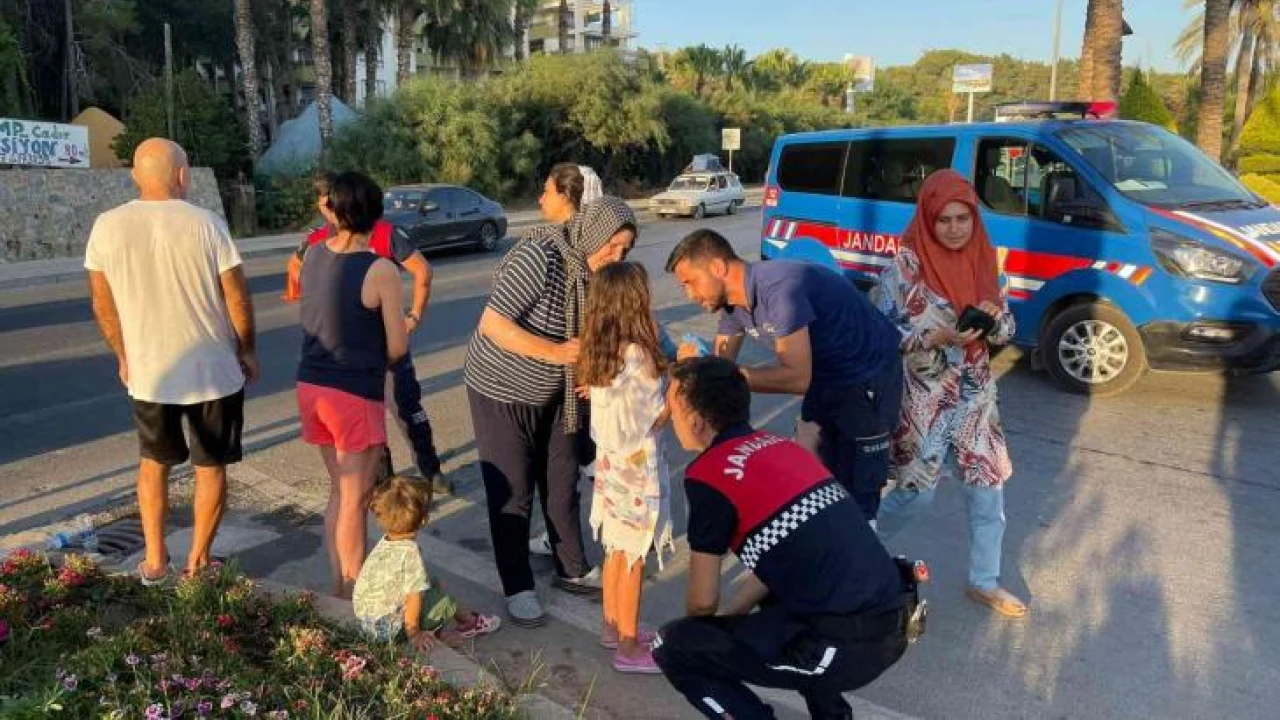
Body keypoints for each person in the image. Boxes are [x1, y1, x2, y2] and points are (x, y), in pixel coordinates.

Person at [653, 357, 910, 719]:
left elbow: (701, 604)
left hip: (843, 645)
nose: (669, 417)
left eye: (672, 407)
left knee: (673, 645)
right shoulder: (779, 447)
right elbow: (781, 562)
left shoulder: (709, 474)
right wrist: (731, 622)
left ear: (696, 420)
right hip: (892, 621)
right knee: (784, 596)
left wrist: (714, 633)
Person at [85, 138, 257, 584]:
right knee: (210, 466)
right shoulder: (207, 223)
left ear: (134, 176)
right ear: (182, 175)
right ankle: (197, 564)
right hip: (213, 373)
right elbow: (237, 297)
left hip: (150, 374)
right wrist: (246, 349)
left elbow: (102, 303)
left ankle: (155, 561)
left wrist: (124, 354)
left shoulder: (106, 226)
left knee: (153, 463)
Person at [463, 196, 638, 627]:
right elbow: (493, 324)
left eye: (625, 249)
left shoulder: (599, 278)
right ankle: (517, 584)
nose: (616, 256)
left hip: (561, 393)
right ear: (593, 233)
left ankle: (571, 567)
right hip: (501, 389)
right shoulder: (539, 255)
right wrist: (556, 353)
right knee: (514, 489)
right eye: (612, 245)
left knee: (562, 481)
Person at [666, 229, 904, 522]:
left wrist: (730, 375)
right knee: (808, 478)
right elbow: (718, 369)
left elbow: (796, 379)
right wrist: (697, 366)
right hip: (824, 380)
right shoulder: (733, 306)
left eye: (690, 282)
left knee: (858, 496)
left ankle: (863, 542)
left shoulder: (781, 289)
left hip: (867, 378)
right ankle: (822, 539)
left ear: (717, 267)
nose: (690, 295)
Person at [873, 169, 1028, 618]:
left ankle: (985, 580)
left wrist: (993, 322)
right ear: (928, 218)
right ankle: (856, 549)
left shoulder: (984, 258)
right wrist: (932, 337)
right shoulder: (904, 267)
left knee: (988, 487)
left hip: (975, 394)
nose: (956, 228)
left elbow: (1008, 327)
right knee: (915, 493)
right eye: (944, 220)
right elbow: (878, 333)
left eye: (964, 218)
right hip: (924, 397)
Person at [283, 172, 447, 497]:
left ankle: (429, 471)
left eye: (329, 202)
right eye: (323, 203)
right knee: (372, 428)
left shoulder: (379, 233)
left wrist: (412, 316)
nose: (327, 209)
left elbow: (423, 271)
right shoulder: (317, 241)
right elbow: (294, 268)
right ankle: (386, 487)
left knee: (404, 408)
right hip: (357, 358)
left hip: (367, 351)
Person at [295, 171, 409, 598]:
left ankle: (338, 584)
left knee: (339, 492)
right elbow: (396, 346)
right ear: (376, 215)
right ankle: (353, 593)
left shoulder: (312, 255)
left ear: (334, 210)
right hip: (352, 393)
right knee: (355, 499)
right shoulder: (380, 269)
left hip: (311, 385)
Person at [577, 262, 673, 674]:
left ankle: (613, 627)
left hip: (612, 468)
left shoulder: (601, 353)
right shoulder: (639, 356)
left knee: (616, 548)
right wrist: (677, 389)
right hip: (638, 472)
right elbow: (655, 418)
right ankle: (629, 647)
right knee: (633, 555)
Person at [354, 475, 502, 649]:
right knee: (445, 602)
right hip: (386, 631)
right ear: (424, 519)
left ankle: (461, 621)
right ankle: (459, 626)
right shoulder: (411, 554)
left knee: (431, 583)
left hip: (367, 624)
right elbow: (413, 598)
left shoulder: (386, 542)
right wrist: (414, 633)